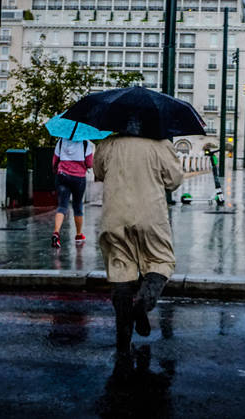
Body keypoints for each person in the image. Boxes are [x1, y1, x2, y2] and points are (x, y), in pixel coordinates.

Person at [93, 135, 184, 353]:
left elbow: (98, 173)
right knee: (161, 260)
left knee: (120, 269)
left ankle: (123, 338)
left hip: (115, 214)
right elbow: (174, 180)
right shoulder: (161, 144)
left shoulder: (107, 144)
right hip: (150, 214)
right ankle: (143, 304)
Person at [51, 137, 93, 248]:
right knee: (77, 205)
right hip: (78, 178)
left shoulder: (61, 141)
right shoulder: (85, 143)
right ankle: (79, 235)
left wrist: (56, 169)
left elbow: (55, 160)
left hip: (62, 176)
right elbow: (89, 163)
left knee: (62, 206)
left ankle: (56, 233)